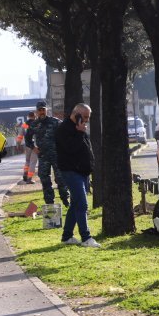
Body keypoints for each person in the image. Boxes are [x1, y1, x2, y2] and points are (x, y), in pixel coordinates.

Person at [55, 103, 99, 248]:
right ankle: (86, 237)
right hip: (71, 171)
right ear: (77, 114)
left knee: (75, 204)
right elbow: (71, 148)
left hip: (82, 171)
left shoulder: (80, 129)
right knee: (82, 204)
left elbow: (85, 148)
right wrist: (80, 132)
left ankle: (67, 236)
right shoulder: (64, 129)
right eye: (85, 117)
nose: (86, 120)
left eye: (88, 117)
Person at [29, 101, 69, 206]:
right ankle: (50, 202)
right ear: (36, 112)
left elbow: (66, 133)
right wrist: (34, 148)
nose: (42, 112)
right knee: (45, 179)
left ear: (47, 110)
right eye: (39, 110)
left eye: (43, 109)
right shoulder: (34, 124)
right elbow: (27, 138)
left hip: (57, 155)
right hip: (43, 156)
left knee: (60, 179)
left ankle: (65, 199)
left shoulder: (55, 122)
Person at [17, 111, 38, 184]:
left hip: (27, 145)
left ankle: (25, 174)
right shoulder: (37, 124)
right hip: (35, 146)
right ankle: (29, 178)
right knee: (33, 162)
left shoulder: (24, 124)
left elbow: (20, 136)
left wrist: (18, 144)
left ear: (28, 116)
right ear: (34, 116)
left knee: (27, 161)